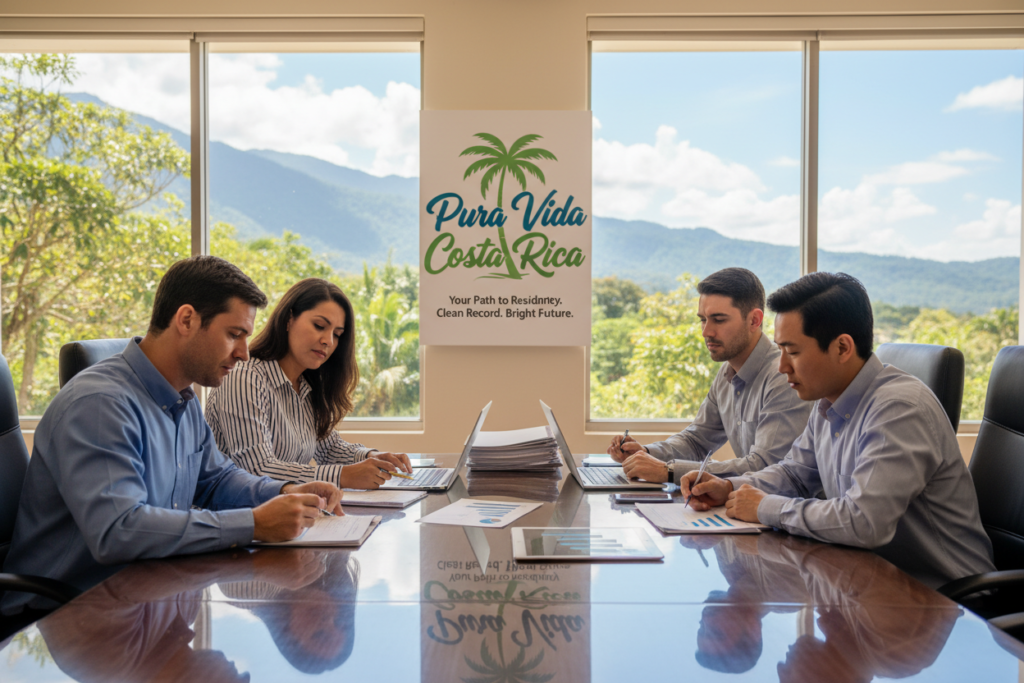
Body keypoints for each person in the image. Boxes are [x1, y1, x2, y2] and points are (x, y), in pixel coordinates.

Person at [1, 256, 343, 616]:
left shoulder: (182, 398)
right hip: (63, 613)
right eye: (234, 334)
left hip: (141, 596)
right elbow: (119, 531)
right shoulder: (100, 405)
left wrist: (284, 490)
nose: (244, 353)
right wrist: (254, 524)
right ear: (186, 320)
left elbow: (216, 480)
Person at [682, 271, 994, 588]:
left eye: (793, 351)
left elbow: (864, 522)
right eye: (780, 350)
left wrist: (765, 507)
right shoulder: (829, 402)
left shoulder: (898, 409)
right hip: (870, 586)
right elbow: (794, 474)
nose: (782, 366)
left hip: (945, 601)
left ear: (843, 347)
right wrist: (730, 488)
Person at [608, 267, 812, 484]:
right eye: (703, 320)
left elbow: (765, 467)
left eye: (719, 319)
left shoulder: (783, 377)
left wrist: (669, 471)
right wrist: (646, 453)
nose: (706, 332)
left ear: (754, 320)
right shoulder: (727, 372)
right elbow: (697, 441)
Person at [205, 278, 411, 490]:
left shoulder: (306, 385)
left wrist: (372, 456)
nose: (328, 341)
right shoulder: (244, 377)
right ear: (289, 319)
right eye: (319, 326)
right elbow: (257, 469)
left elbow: (328, 448)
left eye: (337, 334)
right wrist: (343, 476)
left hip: (288, 512)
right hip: (237, 516)